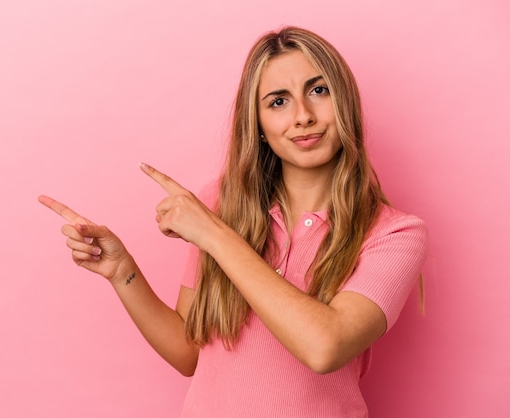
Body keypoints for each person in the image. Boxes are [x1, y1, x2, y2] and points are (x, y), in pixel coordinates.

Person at [39, 26, 428, 417]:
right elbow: (189, 353)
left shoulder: (395, 234)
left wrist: (213, 234)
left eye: (319, 91)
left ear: (345, 101)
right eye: (278, 102)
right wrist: (123, 272)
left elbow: (324, 347)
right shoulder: (220, 204)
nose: (303, 116)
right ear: (257, 124)